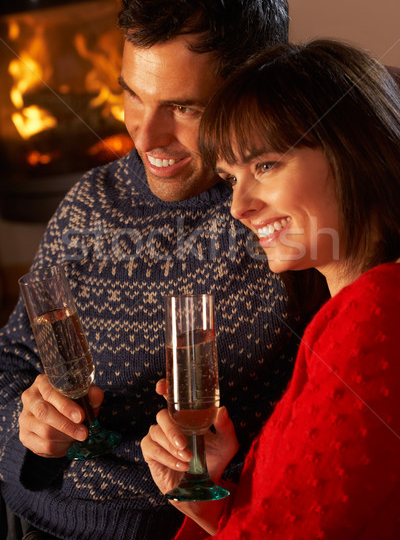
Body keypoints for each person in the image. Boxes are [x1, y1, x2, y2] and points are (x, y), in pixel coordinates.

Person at [0, 0, 304, 540]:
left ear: (252, 89)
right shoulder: (92, 201)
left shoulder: (284, 218)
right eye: (133, 95)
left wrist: (220, 480)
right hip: (38, 515)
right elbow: (10, 359)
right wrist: (25, 426)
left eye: (182, 107)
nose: (143, 135)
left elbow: (321, 438)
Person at [141, 39, 400, 539]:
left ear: (353, 151)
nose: (239, 206)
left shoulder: (377, 311)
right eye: (230, 177)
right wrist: (203, 486)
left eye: (264, 165)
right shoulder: (346, 311)